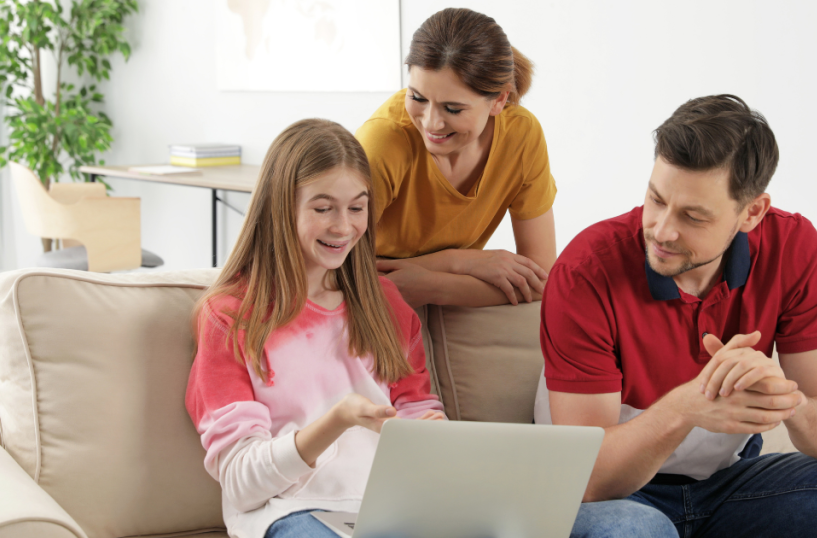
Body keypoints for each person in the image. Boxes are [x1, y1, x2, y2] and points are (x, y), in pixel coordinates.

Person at [535, 95, 817, 537]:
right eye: (656, 199)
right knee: (635, 529)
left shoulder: (792, 248)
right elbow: (588, 478)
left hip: (728, 489)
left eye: (693, 216)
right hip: (614, 498)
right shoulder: (587, 271)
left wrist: (788, 401)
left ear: (752, 212)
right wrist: (688, 406)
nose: (662, 230)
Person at [185, 119, 445, 538]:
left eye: (357, 208)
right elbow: (241, 483)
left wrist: (435, 437)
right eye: (323, 209)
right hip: (294, 512)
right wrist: (337, 420)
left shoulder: (384, 304)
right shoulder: (230, 316)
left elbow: (417, 411)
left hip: (393, 508)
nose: (343, 227)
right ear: (280, 209)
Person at [356, 7, 557, 308]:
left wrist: (433, 285)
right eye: (417, 97)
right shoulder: (382, 143)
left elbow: (539, 279)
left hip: (444, 294)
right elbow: (329, 271)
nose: (430, 123)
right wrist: (460, 262)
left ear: (499, 100)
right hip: (370, 298)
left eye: (452, 109)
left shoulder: (521, 135)